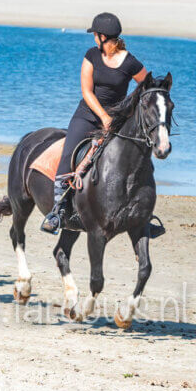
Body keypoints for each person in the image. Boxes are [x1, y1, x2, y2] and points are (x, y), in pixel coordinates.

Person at [41, 12, 148, 234]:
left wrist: (129, 109)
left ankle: (140, 213)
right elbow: (87, 92)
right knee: (68, 154)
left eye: (95, 35)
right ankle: (58, 211)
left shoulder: (130, 62)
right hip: (87, 116)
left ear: (103, 36)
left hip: (116, 120)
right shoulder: (91, 55)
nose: (93, 39)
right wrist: (104, 117)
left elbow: (149, 87)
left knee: (135, 159)